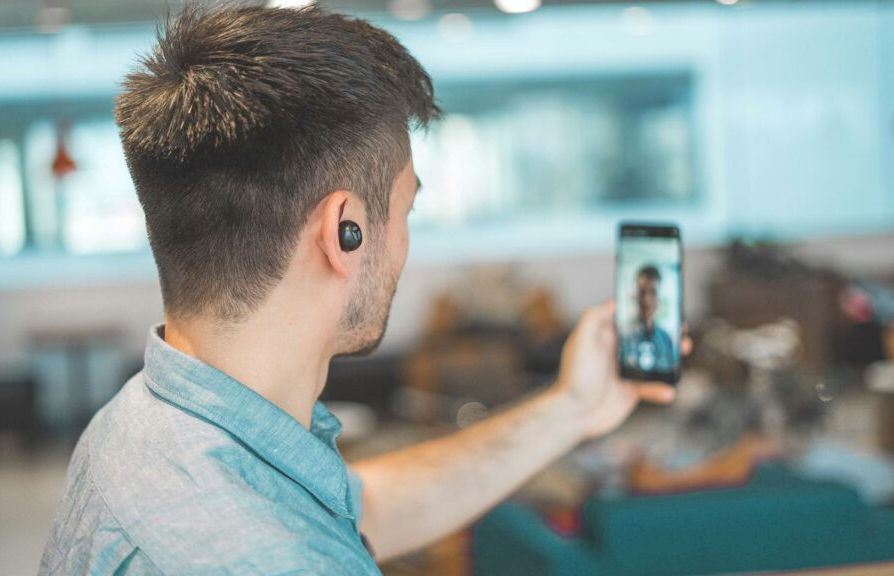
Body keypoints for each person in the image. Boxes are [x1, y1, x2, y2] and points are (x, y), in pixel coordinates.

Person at [39, 5, 681, 574]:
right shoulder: (273, 559)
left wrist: (574, 406)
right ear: (343, 231)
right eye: (406, 209)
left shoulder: (144, 424)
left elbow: (359, 508)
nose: (404, 241)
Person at [620, 264, 677, 372]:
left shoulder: (666, 339)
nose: (646, 300)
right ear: (635, 295)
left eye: (652, 292)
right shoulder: (622, 337)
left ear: (659, 297)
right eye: (642, 293)